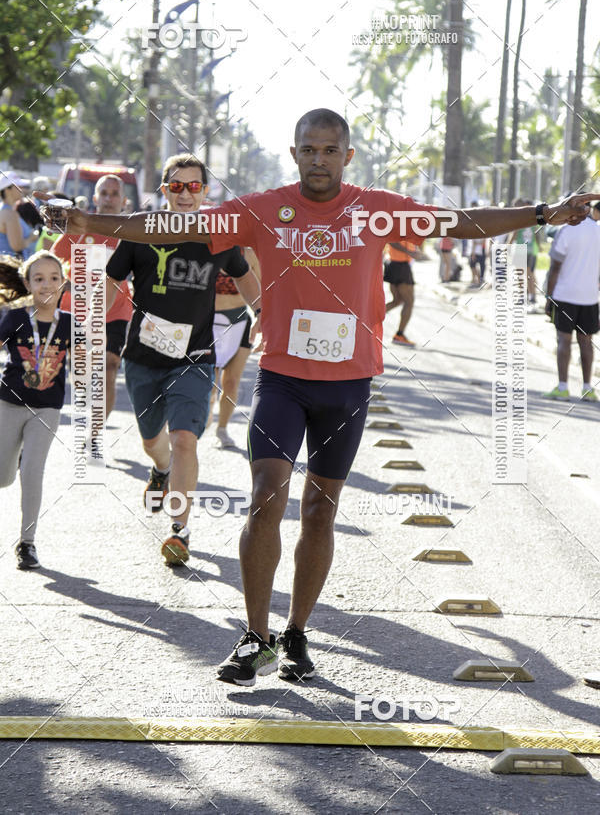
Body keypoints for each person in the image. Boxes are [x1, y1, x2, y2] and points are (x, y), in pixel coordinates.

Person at [35, 108, 597, 685]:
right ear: (295, 152)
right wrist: (88, 222)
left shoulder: (375, 209)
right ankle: (256, 637)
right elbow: (171, 229)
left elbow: (458, 222)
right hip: (282, 377)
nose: (319, 159)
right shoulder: (262, 209)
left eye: (330, 150)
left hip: (348, 384)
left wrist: (542, 213)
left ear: (347, 155)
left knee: (319, 512)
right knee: (263, 498)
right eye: (309, 149)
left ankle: (297, 633)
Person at [102, 154, 261, 565]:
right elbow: (112, 280)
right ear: (164, 191)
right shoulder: (141, 230)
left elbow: (244, 275)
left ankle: (180, 529)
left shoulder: (218, 235)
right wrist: (86, 322)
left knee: (184, 439)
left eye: (194, 186)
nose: (186, 194)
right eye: (177, 186)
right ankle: (159, 471)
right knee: (153, 441)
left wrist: (265, 316)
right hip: (143, 356)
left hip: (194, 356)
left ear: (205, 191)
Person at [0, 251, 70, 569]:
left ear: (64, 283)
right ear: (28, 283)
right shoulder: (14, 318)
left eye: (54, 278)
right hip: (9, 403)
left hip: (47, 409)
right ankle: (12, 458)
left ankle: (27, 543)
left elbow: (89, 365)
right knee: (3, 478)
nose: (47, 285)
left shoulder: (71, 324)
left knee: (33, 471)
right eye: (39, 279)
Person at [51, 175, 133, 419]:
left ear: (124, 200)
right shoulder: (79, 228)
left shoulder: (131, 232)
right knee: (81, 374)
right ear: (95, 198)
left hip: (115, 310)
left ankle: (96, 434)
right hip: (77, 310)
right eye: (104, 193)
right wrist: (64, 285)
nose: (108, 199)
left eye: (114, 193)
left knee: (109, 368)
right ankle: (86, 411)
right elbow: (53, 261)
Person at [543, 203, 600, 401]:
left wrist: (549, 297)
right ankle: (587, 388)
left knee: (563, 340)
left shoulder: (565, 231)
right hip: (590, 297)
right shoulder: (598, 232)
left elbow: (555, 267)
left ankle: (563, 387)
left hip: (565, 295)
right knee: (586, 342)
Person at [210, 247, 261, 449]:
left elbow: (262, 290)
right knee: (208, 381)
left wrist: (262, 320)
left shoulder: (249, 254)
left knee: (231, 381)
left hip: (239, 322)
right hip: (209, 322)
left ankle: (222, 428)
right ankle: (202, 419)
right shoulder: (209, 248)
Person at [383, 241, 420, 346]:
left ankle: (368, 320)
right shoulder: (400, 225)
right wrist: (409, 252)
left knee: (397, 301)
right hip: (400, 265)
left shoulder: (404, 226)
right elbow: (392, 240)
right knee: (409, 302)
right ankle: (400, 335)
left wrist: (414, 251)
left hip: (394, 263)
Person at [0, 171, 28, 257]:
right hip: (10, 267)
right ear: (7, 190)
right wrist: (33, 236)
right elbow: (17, 246)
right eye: (18, 186)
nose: (22, 189)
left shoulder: (6, 210)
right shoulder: (10, 213)